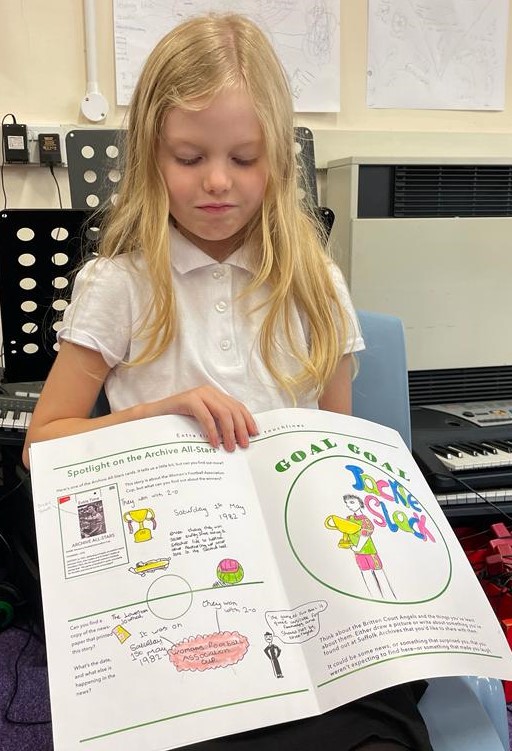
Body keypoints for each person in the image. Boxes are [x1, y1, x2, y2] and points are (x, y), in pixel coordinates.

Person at [22, 12, 432, 751]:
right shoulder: (118, 284)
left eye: (244, 157)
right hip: (166, 583)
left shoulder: (316, 285)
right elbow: (42, 443)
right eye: (188, 156)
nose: (217, 181)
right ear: (150, 155)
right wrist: (161, 414)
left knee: (376, 725)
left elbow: (335, 455)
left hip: (298, 579)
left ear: (278, 157)